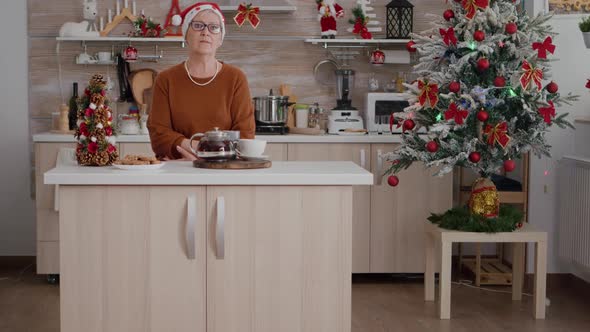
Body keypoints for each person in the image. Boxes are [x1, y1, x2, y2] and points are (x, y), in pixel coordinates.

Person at [147, 2, 255, 160]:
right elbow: (158, 133)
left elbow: (245, 134)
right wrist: (196, 148)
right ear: (186, 34)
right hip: (178, 167)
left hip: (224, 168)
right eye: (198, 25)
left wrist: (208, 154)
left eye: (214, 27)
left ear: (220, 38)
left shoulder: (236, 78)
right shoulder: (166, 79)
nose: (206, 32)